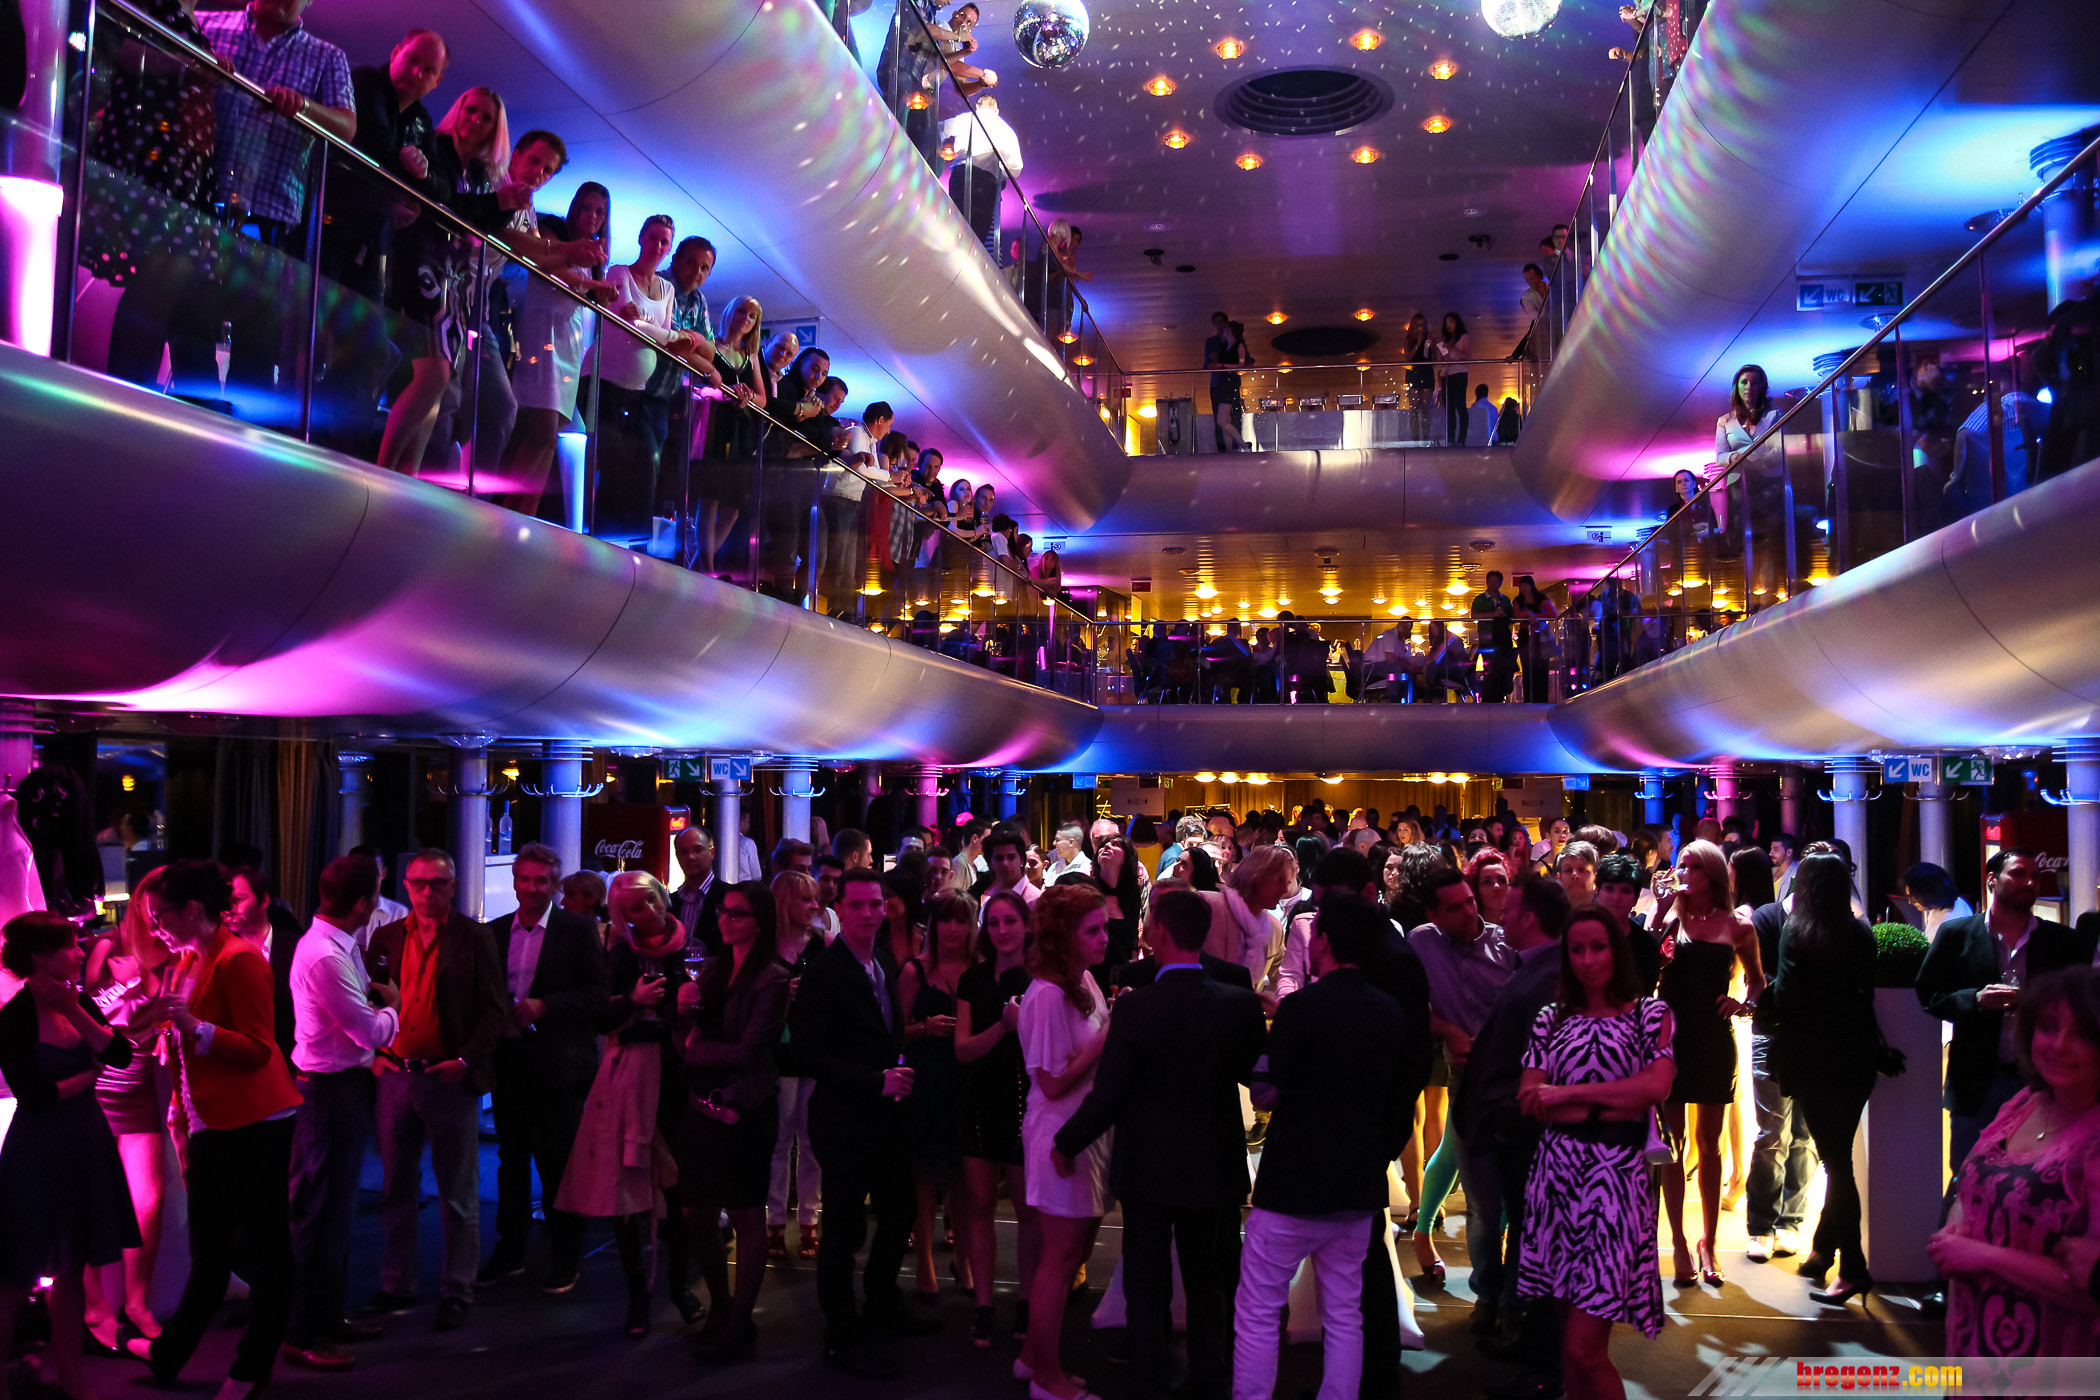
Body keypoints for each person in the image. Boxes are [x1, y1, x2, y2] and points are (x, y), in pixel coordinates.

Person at [1053, 887, 1266, 1400]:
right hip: (1211, 1159)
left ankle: (1148, 1379)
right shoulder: (1237, 1003)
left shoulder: (1136, 1007)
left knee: (1146, 1279)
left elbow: (1108, 1096)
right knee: (1207, 1276)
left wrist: (1066, 1142)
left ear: (1159, 934)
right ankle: (1211, 1379)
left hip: (1147, 1163)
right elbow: (1256, 1079)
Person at [133, 860, 302, 1399]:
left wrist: (195, 1028)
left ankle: (252, 1368)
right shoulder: (192, 959)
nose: (154, 926)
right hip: (211, 1119)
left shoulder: (240, 960)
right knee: (210, 1249)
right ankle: (170, 1352)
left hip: (254, 1120)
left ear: (191, 909)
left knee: (267, 1249)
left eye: (159, 915)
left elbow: (258, 1050)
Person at [1234, 893, 1412, 1400]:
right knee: (1345, 1312)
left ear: (1325, 942)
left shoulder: (1302, 1009)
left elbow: (1266, 1091)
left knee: (1259, 1308)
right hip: (1357, 1180)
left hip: (1293, 1179)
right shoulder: (1390, 1011)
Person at [1515, 907, 1676, 1400]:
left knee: (1585, 1348)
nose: (1587, 959)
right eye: (1577, 950)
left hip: (1616, 1183)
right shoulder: (1551, 1018)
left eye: (1598, 947)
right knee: (1569, 1346)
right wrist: (1614, 1098)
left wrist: (1566, 1095)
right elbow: (1529, 1097)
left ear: (1616, 951)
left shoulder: (1650, 1014)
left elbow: (1654, 1088)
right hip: (1555, 1180)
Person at [358, 849, 508, 1333]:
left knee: (457, 1192)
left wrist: (465, 1060)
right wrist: (374, 1054)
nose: (427, 892)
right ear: (405, 885)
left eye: (437, 883)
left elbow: (495, 1010)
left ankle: (457, 1289)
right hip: (395, 1075)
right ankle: (396, 1284)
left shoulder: (473, 937)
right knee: (395, 1188)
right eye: (419, 883)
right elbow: (369, 999)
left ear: (453, 886)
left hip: (447, 1077)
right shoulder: (385, 936)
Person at [0, 911, 142, 1400]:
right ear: (41, 956)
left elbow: (121, 1054)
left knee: (74, 1269)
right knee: (15, 1275)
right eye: (69, 945)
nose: (81, 952)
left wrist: (75, 1010)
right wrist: (89, 1076)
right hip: (38, 1150)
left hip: (85, 1141)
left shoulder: (77, 1000)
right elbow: (37, 1096)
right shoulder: (14, 1017)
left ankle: (73, 1381)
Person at [796, 866, 929, 1378]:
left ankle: (881, 1301)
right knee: (843, 1229)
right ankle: (841, 1334)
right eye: (858, 905)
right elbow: (810, 1053)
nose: (870, 913)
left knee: (899, 1211)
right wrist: (876, 1081)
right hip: (845, 1117)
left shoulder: (880, 961)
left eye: (877, 903)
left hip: (886, 1115)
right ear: (839, 909)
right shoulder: (826, 972)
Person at [1932, 966, 2100, 1355]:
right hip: (1974, 1343)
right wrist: (1957, 1229)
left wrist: (1981, 1256)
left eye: (2083, 1034)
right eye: (2048, 1027)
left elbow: (2090, 1285)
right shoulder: (2026, 1102)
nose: (2059, 1045)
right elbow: (1972, 1183)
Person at [553, 871, 690, 1335]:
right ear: (622, 914)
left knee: (681, 1193)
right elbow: (600, 1018)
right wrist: (634, 1001)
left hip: (678, 1078)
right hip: (630, 1077)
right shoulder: (621, 954)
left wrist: (680, 1011)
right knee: (626, 1193)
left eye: (651, 901)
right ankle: (637, 1296)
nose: (647, 912)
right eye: (635, 908)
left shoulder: (690, 946)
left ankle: (679, 1286)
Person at [1453, 877, 1574, 1400]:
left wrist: (1505, 1119)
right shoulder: (1535, 968)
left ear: (1529, 918)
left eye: (1510, 907)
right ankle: (1534, 1350)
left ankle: (1544, 1368)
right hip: (1520, 1132)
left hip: (1529, 1137)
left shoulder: (1547, 976)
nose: (1499, 914)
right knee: (1531, 1240)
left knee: (1540, 1245)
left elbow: (1539, 1062)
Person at [281, 856, 401, 1372]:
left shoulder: (336, 943)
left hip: (339, 1090)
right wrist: (395, 1006)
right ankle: (303, 1332)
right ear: (361, 903)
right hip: (328, 1093)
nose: (379, 903)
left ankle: (329, 1317)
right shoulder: (325, 955)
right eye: (376, 894)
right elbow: (367, 1033)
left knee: (337, 1212)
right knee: (320, 1215)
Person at [1918, 848, 2099, 1182]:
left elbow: (2081, 1005)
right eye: (2018, 873)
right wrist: (1975, 999)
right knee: (1967, 1177)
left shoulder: (2061, 941)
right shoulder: (1956, 935)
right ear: (1992, 880)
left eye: (2035, 876)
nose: (2029, 882)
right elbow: (1928, 994)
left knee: (2038, 1180)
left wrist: (2036, 1003)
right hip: (1977, 1082)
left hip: (2042, 1083)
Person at [478, 844, 606, 1292]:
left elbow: (597, 994)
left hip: (559, 1064)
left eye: (541, 881)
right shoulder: (494, 932)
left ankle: (566, 1254)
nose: (532, 888)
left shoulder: (577, 929)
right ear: (514, 882)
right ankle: (510, 1249)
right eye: (525, 879)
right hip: (510, 1061)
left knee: (559, 1163)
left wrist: (545, 1005)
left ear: (555, 886)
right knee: (510, 1160)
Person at [676, 880, 790, 1362]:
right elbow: (683, 1036)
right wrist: (684, 1013)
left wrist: (695, 1048)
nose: (725, 919)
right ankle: (721, 1306)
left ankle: (740, 1321)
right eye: (723, 911)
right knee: (695, 1211)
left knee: (745, 1215)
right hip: (702, 1107)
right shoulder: (713, 970)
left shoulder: (773, 978)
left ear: (760, 923)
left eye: (737, 913)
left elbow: (749, 1050)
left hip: (745, 1109)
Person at [1764, 852, 1884, 1306]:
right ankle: (1822, 1250)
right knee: (1837, 1156)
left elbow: (1785, 995)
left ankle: (1853, 1268)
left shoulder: (1797, 931)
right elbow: (1864, 995)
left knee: (1837, 1164)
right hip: (1857, 1057)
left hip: (1814, 1058)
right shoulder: (1860, 933)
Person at [1015, 884, 1114, 1400]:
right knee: (1058, 1256)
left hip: (1084, 1130)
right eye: (1093, 930)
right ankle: (1046, 1378)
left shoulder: (1083, 980)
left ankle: (1034, 1357)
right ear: (1065, 936)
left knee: (1073, 1250)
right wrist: (1108, 1037)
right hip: (1059, 1132)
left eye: (1104, 927)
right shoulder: (1048, 994)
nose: (1104, 937)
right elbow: (1052, 1082)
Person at [1653, 838, 1764, 1290]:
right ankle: (1678, 1241)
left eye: (1694, 866)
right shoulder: (1671, 918)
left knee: (1710, 1143)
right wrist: (1660, 913)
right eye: (1681, 864)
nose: (1684, 873)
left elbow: (1757, 981)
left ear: (1713, 873)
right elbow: (1645, 964)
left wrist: (1743, 1003)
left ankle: (1709, 1242)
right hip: (1670, 1038)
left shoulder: (1738, 925)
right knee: (1672, 1143)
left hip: (1713, 1039)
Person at [1407, 866, 1518, 1299]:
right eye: (1456, 908)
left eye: (1469, 901)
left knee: (1498, 1181)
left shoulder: (1504, 943)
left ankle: (1494, 1277)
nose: (1470, 911)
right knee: (1470, 1175)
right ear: (1433, 915)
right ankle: (1485, 1283)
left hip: (1511, 1074)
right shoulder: (1422, 941)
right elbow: (1409, 1004)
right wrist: (1448, 1031)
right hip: (1465, 1073)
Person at [79, 869, 173, 1353]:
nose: (159, 920)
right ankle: (93, 1306)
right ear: (138, 903)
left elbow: (175, 1011)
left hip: (139, 1084)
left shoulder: (177, 952)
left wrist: (145, 986)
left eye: (168, 910)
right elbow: (84, 1012)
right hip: (97, 1084)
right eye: (154, 908)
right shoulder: (107, 945)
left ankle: (137, 1303)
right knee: (92, 1197)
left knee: (149, 1201)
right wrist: (126, 985)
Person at [956, 890, 1041, 1347]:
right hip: (980, 1096)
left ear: (1026, 925)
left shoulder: (1040, 977)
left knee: (1028, 1211)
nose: (1002, 930)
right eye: (994, 922)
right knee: (980, 1203)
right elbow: (963, 1049)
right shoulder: (973, 980)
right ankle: (984, 1305)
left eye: (1010, 921)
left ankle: (1027, 1302)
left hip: (1028, 1098)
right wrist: (1004, 1027)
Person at [901, 891, 976, 1298]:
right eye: (945, 920)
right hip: (927, 1080)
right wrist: (924, 1028)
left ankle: (963, 1258)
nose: (952, 928)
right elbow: (893, 1032)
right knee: (925, 1178)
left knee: (964, 1180)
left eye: (961, 920)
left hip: (966, 1081)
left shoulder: (979, 969)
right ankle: (926, 1263)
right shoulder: (915, 970)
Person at [767, 869, 828, 1261]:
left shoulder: (821, 943)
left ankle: (809, 1220)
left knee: (811, 1140)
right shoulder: (765, 946)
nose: (815, 906)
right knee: (778, 1140)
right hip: (779, 1052)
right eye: (806, 899)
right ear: (786, 903)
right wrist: (780, 993)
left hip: (814, 1049)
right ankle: (774, 1220)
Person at [941, 93, 1023, 250]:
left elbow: (939, 129)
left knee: (956, 223)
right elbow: (1016, 169)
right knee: (977, 235)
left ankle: (950, 254)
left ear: (977, 106)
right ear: (997, 110)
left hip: (961, 174)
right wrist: (1000, 172)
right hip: (987, 182)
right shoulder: (1006, 130)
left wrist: (942, 147)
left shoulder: (966, 119)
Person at [668, 826, 725, 955]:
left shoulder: (728, 897)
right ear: (677, 856)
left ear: (712, 852)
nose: (691, 857)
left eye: (698, 850)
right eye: (684, 852)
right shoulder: (670, 902)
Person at [1203, 312, 1252, 452]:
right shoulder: (1218, 343)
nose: (1219, 325)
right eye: (1216, 323)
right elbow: (1209, 364)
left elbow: (1244, 362)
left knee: (1225, 419)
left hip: (1229, 383)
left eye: (1221, 322)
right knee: (1222, 419)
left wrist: (1222, 365)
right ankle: (1228, 449)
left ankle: (1240, 446)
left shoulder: (1236, 344)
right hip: (1219, 383)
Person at [1470, 570, 1517, 703]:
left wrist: (1504, 616)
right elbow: (1474, 615)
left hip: (1503, 640)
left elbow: (1512, 617)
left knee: (1502, 669)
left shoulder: (1505, 599)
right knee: (1489, 669)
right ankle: (1489, 698)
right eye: (1490, 581)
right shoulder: (1479, 599)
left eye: (1496, 581)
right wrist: (1492, 615)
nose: (1493, 583)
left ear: (1500, 583)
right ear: (1486, 582)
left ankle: (1499, 696)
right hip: (1487, 640)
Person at [1437, 313, 1473, 445]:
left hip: (1459, 373)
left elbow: (1467, 356)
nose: (1448, 325)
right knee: (1449, 408)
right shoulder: (1447, 340)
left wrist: (1451, 348)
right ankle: (1451, 439)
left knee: (1460, 406)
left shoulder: (1464, 337)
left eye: (1451, 322)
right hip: (1448, 374)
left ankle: (1461, 438)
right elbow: (1444, 360)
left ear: (1457, 322)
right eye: (1446, 322)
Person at [1469, 382, 1499, 448]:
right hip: (1494, 439)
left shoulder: (1476, 406)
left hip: (1481, 439)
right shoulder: (1494, 408)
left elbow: (1473, 424)